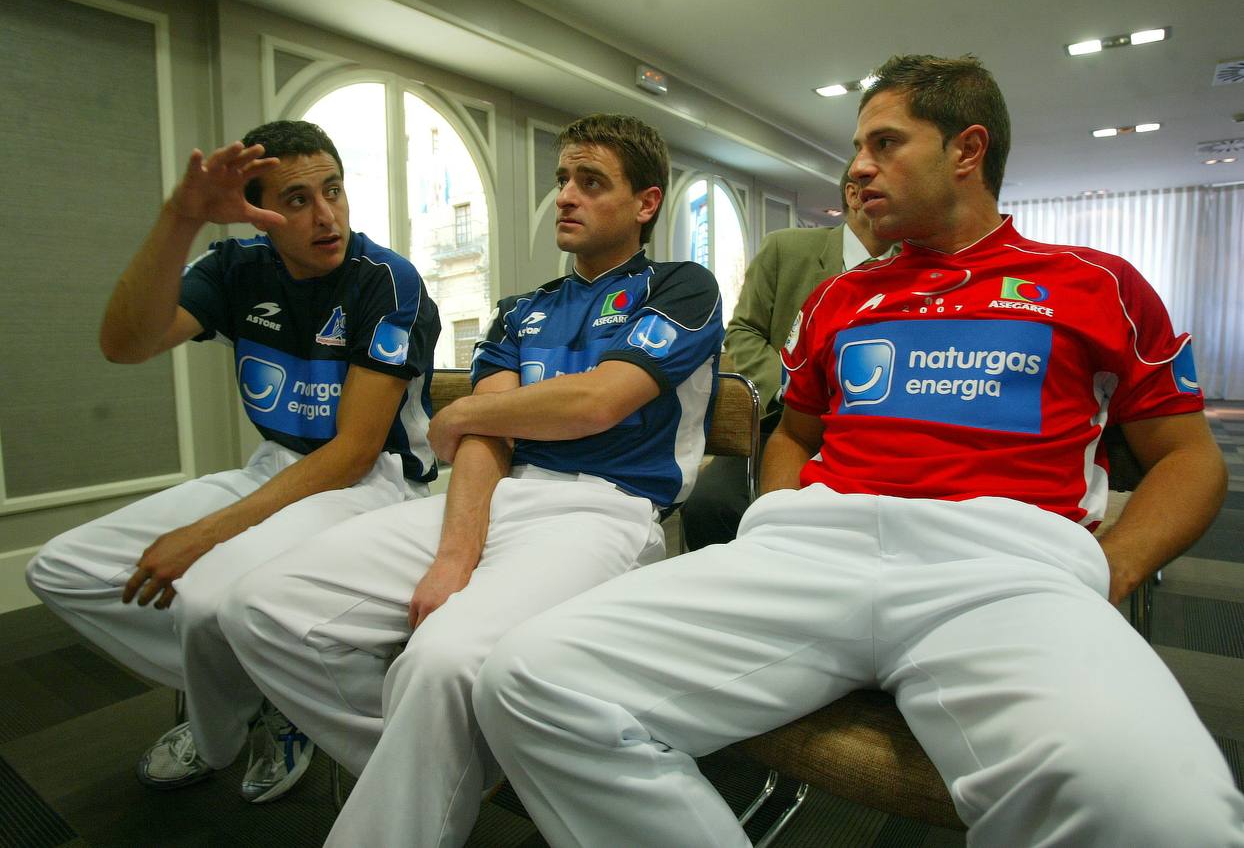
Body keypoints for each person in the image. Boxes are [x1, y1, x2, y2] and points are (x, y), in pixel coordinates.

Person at [473, 55, 1244, 846]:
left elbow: (1190, 458)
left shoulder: (1093, 282)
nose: (859, 166)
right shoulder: (839, 298)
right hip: (815, 548)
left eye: (885, 143)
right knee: (529, 679)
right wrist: (775, 516)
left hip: (1003, 566)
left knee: (1165, 813)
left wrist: (1111, 568)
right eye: (857, 145)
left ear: (967, 151)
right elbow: (799, 432)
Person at [219, 113, 723, 846]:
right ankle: (447, 755)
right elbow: (481, 433)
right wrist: (457, 551)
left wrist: (481, 416)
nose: (566, 197)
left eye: (591, 182)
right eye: (561, 181)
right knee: (259, 606)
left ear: (646, 203)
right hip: (496, 493)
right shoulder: (525, 308)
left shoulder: (681, 286)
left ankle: (425, 775)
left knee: (442, 658)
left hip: (603, 511)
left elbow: (596, 402)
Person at [26, 121, 440, 803]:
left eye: (333, 190)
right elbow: (125, 344)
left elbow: (355, 450)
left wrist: (206, 534)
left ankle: (225, 733)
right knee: (62, 568)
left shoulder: (385, 280)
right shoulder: (237, 267)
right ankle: (264, 685)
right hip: (273, 467)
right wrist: (181, 217)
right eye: (298, 200)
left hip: (373, 484)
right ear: (260, 212)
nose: (326, 214)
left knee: (209, 597)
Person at [682, 165, 893, 550]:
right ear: (853, 195)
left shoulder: (913, 268)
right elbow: (743, 330)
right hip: (782, 424)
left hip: (869, 431)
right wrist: (787, 384)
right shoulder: (787, 249)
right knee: (708, 504)